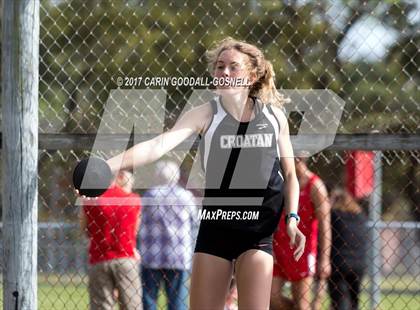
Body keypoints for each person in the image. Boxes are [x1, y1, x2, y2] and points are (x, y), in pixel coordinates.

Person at [99, 37, 306, 309]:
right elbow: (159, 145)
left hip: (257, 231)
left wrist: (292, 218)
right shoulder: (206, 114)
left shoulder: (274, 117)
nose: (225, 73)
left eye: (234, 67)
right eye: (220, 67)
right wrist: (107, 166)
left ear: (252, 75)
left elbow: (290, 175)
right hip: (217, 227)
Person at [271, 156, 331, 310]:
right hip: (279, 249)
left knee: (302, 304)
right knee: (272, 298)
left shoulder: (315, 186)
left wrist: (324, 259)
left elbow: (325, 225)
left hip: (302, 251)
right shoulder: (282, 182)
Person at [79, 170, 143, 310]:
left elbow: (84, 228)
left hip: (99, 258)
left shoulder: (90, 199)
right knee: (132, 305)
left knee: (101, 305)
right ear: (118, 176)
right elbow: (134, 231)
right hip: (125, 257)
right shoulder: (133, 199)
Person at [139, 160, 198, 310]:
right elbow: (194, 222)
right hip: (178, 255)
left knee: (149, 299)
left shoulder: (149, 195)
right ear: (176, 177)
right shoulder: (185, 196)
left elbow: (140, 221)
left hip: (151, 256)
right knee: (177, 300)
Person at [328, 189, 368, 310]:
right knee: (354, 300)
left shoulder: (333, 215)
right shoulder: (361, 216)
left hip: (339, 262)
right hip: (359, 264)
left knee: (339, 299)